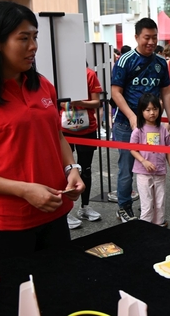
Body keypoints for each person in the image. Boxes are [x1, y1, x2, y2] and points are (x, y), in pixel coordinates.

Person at [0, 1, 85, 265]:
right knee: (19, 290)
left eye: (35, 37)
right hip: (7, 222)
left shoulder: (42, 85)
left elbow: (56, 136)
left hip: (54, 210)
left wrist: (72, 169)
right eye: (23, 38)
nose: (33, 46)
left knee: (60, 284)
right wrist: (24, 190)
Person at [111, 18, 170, 223]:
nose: (151, 42)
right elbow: (115, 92)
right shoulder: (126, 60)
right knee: (127, 168)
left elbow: (166, 92)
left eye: (154, 38)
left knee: (152, 165)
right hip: (126, 124)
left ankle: (148, 209)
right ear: (136, 37)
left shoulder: (160, 63)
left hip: (152, 126)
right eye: (146, 38)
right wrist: (132, 117)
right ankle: (124, 207)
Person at [61, 66, 104, 230]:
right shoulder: (59, 72)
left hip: (87, 129)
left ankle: (85, 207)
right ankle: (65, 212)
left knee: (85, 169)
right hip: (63, 130)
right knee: (64, 170)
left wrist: (79, 103)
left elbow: (97, 102)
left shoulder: (89, 74)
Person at [130, 93, 170, 226]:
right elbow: (132, 149)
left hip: (160, 171)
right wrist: (143, 161)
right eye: (148, 110)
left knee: (160, 203)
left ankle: (158, 226)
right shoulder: (138, 131)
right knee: (147, 204)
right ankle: (145, 230)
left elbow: (168, 149)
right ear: (141, 111)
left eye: (155, 109)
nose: (152, 113)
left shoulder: (163, 129)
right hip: (143, 173)